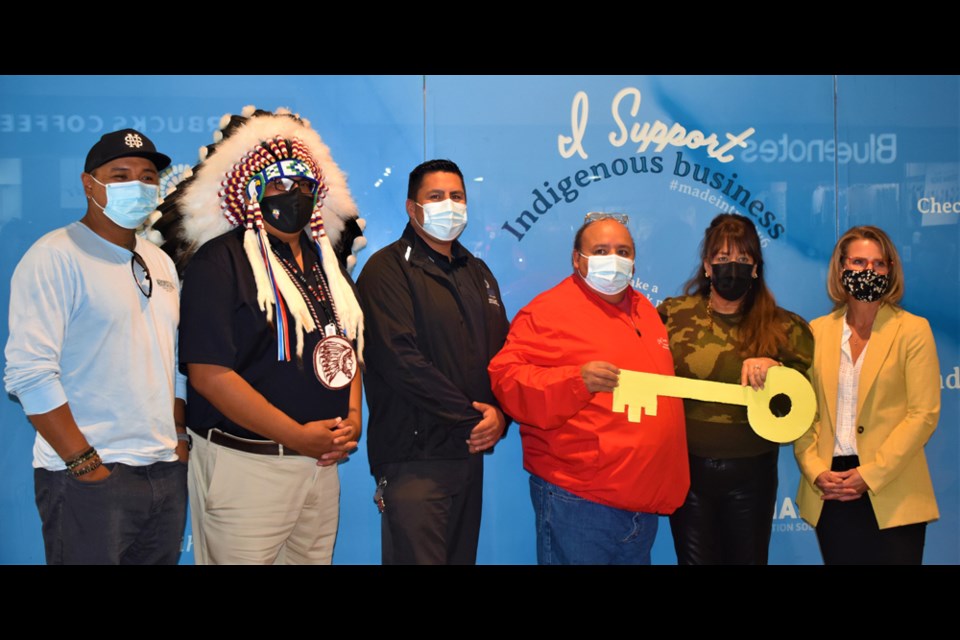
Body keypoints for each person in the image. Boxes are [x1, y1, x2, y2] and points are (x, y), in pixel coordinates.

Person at [160, 107, 366, 564]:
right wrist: (296, 435)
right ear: (252, 191)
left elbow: (346, 349)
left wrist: (351, 417)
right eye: (277, 185)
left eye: (302, 187)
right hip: (248, 466)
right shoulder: (219, 262)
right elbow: (209, 374)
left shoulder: (326, 263)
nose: (291, 196)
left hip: (319, 465)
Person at [4, 129, 188, 564]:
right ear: (90, 184)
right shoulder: (55, 255)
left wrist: (178, 441)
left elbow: (174, 361)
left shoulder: (159, 260)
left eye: (147, 177)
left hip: (163, 470)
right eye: (120, 175)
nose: (138, 187)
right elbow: (29, 372)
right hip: (90, 476)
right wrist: (86, 465)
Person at [488, 213, 688, 565]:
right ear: (576, 259)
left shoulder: (645, 311)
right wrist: (575, 382)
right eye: (600, 250)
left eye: (623, 250)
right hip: (580, 502)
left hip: (641, 503)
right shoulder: (547, 312)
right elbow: (507, 379)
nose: (614, 259)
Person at [357, 159, 510, 565]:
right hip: (414, 462)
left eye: (457, 196)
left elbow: (504, 356)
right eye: (436, 196)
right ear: (412, 207)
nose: (449, 204)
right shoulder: (386, 269)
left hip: (467, 455)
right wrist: (471, 417)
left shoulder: (478, 272)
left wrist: (502, 415)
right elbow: (399, 360)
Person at [657, 213, 813, 565]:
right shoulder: (672, 316)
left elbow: (807, 393)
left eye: (743, 260)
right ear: (707, 266)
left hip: (752, 476)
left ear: (756, 268)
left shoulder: (784, 326)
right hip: (688, 473)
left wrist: (779, 370)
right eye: (723, 259)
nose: (733, 267)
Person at [794, 225, 939, 565]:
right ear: (841, 267)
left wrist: (869, 475)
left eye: (878, 264)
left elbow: (923, 414)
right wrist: (815, 470)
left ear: (891, 270)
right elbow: (804, 414)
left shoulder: (913, 330)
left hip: (893, 488)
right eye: (858, 262)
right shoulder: (816, 332)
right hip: (832, 489)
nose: (868, 271)